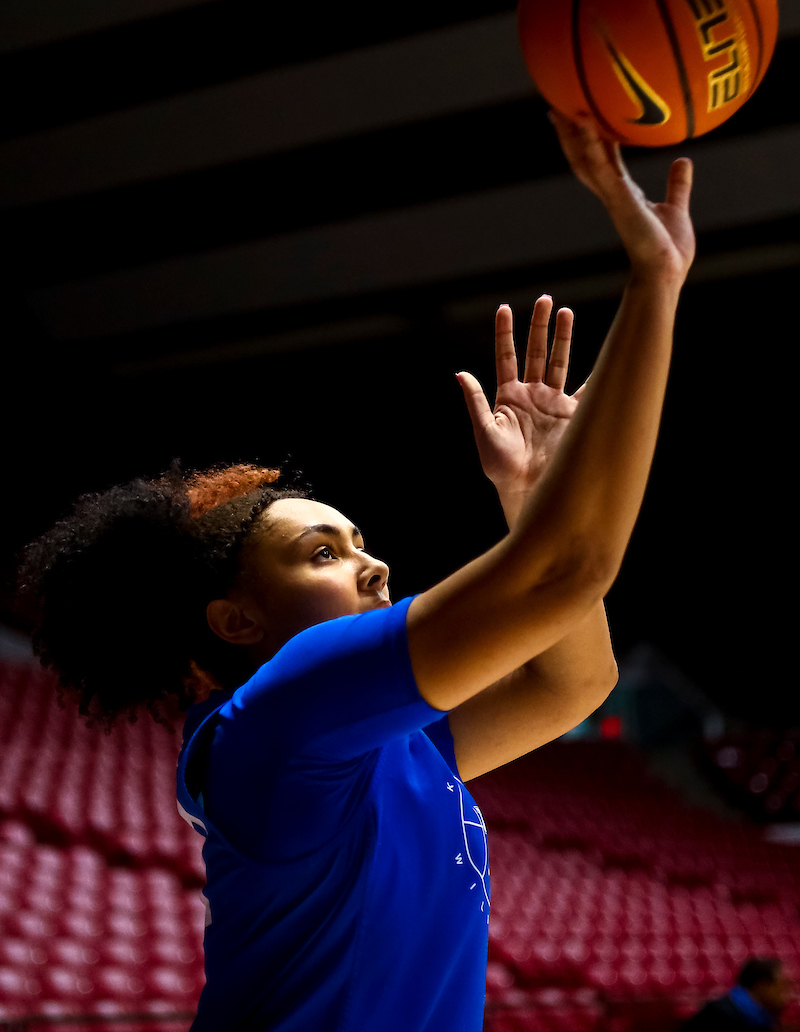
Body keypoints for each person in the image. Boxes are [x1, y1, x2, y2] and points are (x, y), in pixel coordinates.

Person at [15, 113, 696, 1032]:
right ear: (237, 620)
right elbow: (562, 574)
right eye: (323, 553)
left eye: (357, 539)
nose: (372, 564)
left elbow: (572, 681)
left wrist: (532, 494)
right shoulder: (283, 715)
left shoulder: (368, 742)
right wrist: (653, 285)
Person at [680, 958, 793, 1029]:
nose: (788, 996)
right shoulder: (718, 1016)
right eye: (782, 988)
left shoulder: (763, 1019)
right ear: (762, 986)